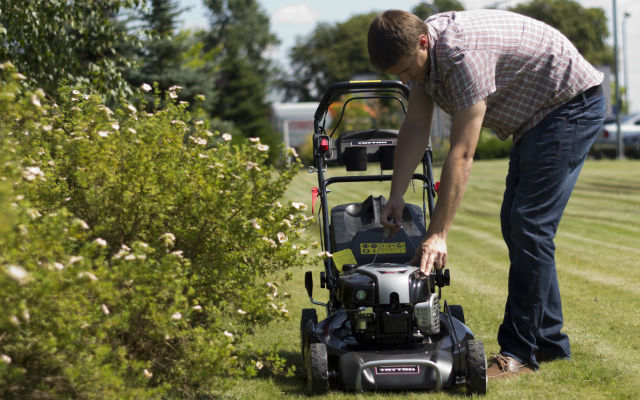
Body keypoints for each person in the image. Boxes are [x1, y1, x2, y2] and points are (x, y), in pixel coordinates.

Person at [368, 9, 605, 378]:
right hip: (536, 116)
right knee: (518, 226)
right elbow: (415, 125)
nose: (404, 78)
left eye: (405, 69)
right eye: (396, 74)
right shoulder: (423, 55)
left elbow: (462, 154)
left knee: (530, 226)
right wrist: (396, 195)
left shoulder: (463, 55)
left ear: (423, 42)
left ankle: (519, 353)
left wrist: (438, 234)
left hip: (568, 105)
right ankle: (551, 342)